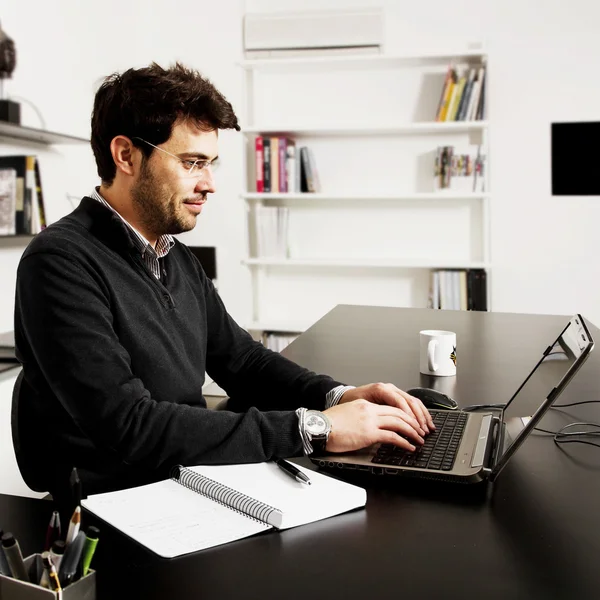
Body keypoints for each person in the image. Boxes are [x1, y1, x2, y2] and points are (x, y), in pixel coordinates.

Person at [14, 62, 434, 503]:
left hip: (183, 475)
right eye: (193, 163)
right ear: (126, 156)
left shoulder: (173, 255)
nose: (209, 184)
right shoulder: (60, 262)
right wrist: (316, 429)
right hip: (115, 502)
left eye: (211, 164)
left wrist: (336, 396)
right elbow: (130, 426)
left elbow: (241, 360)